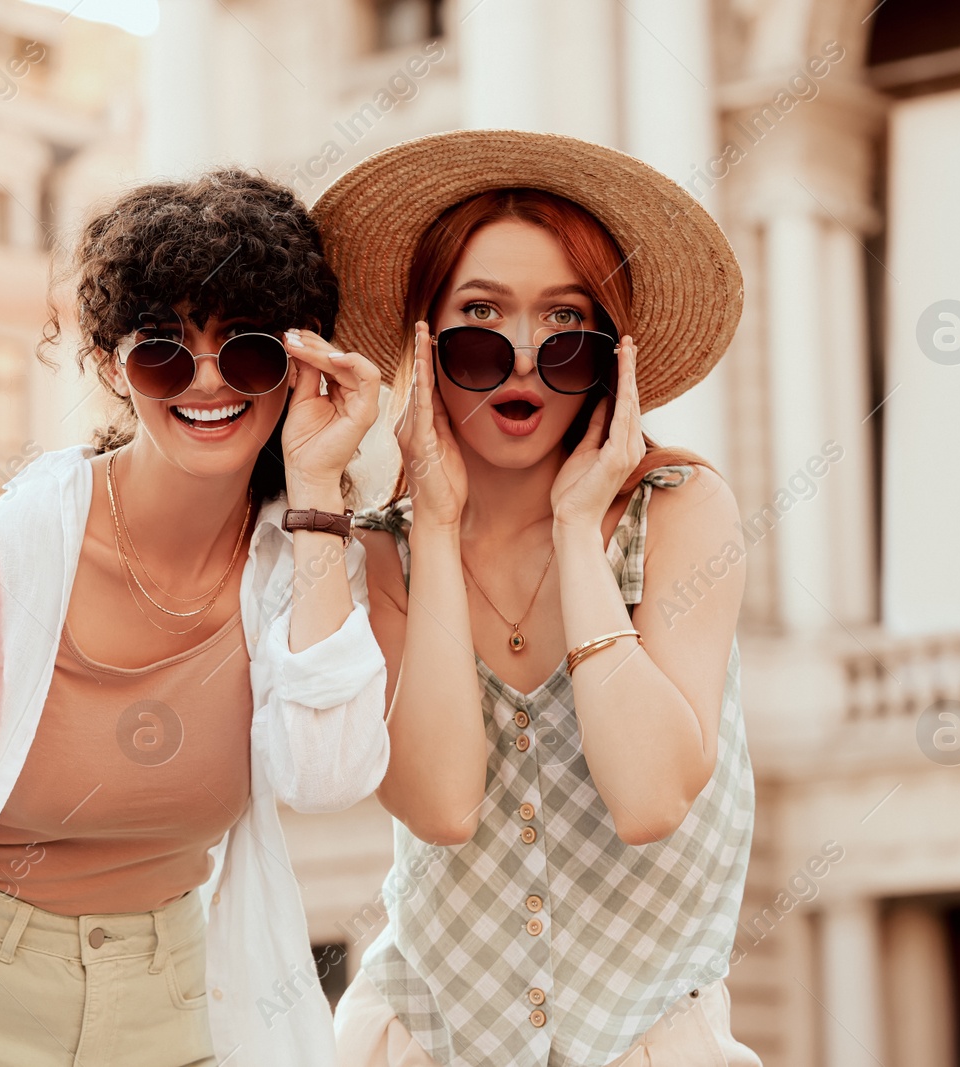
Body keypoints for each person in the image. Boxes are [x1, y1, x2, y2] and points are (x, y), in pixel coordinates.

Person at [0, 169, 390, 1067]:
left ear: (301, 364)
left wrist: (312, 486)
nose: (207, 381)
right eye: (164, 349)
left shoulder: (303, 558)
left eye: (249, 348)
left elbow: (328, 775)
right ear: (114, 364)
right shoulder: (23, 539)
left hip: (173, 1007)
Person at [313, 131, 761, 1066]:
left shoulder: (679, 513)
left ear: (609, 357)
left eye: (565, 323)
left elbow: (649, 797)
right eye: (482, 317)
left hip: (647, 1037)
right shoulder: (387, 553)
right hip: (426, 1037)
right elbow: (440, 804)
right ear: (426, 344)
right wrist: (431, 527)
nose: (523, 357)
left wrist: (574, 526)